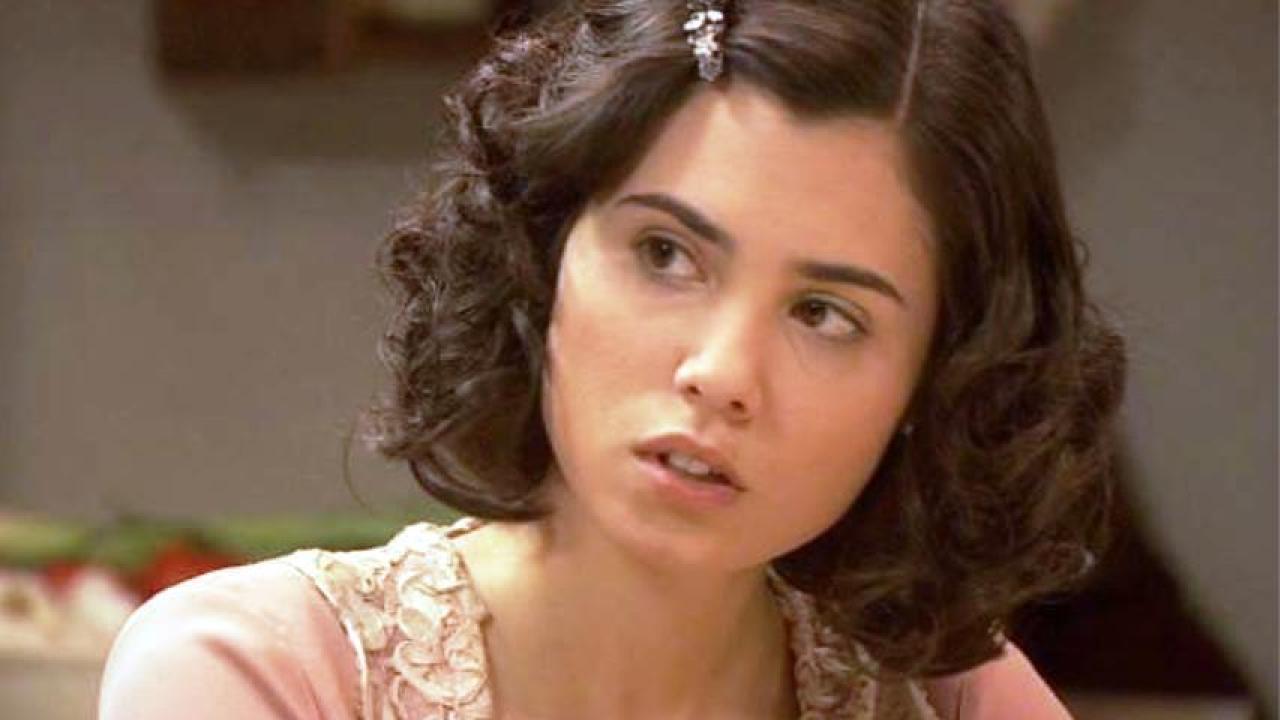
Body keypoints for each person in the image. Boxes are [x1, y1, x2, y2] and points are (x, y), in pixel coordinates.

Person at [98, 0, 1126, 718]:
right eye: (665, 255)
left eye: (823, 314)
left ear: (936, 379)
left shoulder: (951, 698)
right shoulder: (264, 675)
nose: (721, 372)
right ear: (543, 256)